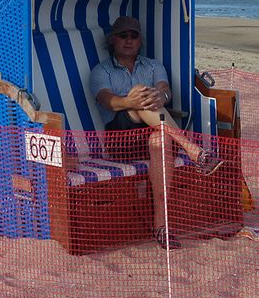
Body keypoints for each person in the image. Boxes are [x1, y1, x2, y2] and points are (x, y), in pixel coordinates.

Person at [89, 16, 222, 249]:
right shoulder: (102, 71)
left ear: (140, 40)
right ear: (113, 40)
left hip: (153, 130)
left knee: (160, 139)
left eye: (134, 35)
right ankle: (191, 148)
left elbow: (164, 90)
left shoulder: (153, 66)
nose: (129, 40)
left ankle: (162, 227)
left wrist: (163, 96)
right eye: (123, 36)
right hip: (121, 137)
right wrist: (130, 100)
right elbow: (107, 101)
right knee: (141, 93)